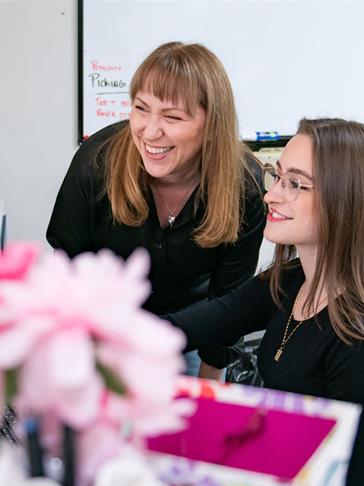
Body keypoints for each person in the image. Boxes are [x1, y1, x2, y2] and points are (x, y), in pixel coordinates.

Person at [167, 118, 364, 486]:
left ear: (347, 202)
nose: (271, 195)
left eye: (295, 184)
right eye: (277, 176)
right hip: (300, 472)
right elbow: (203, 321)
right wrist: (95, 333)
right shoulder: (292, 279)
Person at [46, 42, 266, 378]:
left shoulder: (245, 188)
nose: (149, 131)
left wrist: (209, 381)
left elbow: (228, 301)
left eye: (172, 117)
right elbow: (67, 268)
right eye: (141, 108)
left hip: (190, 332)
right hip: (103, 328)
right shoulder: (96, 164)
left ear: (211, 124)